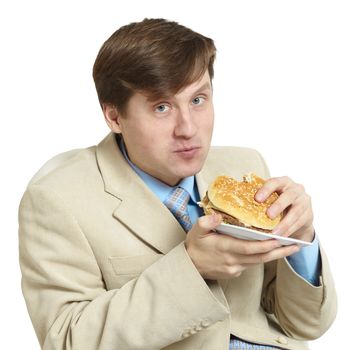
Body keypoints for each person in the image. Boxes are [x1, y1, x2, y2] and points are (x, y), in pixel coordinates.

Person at [19, 18, 336, 350]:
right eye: (161, 107)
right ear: (114, 116)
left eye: (198, 100)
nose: (188, 128)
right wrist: (192, 267)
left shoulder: (245, 166)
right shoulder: (57, 198)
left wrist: (302, 241)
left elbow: (305, 325)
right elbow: (67, 341)